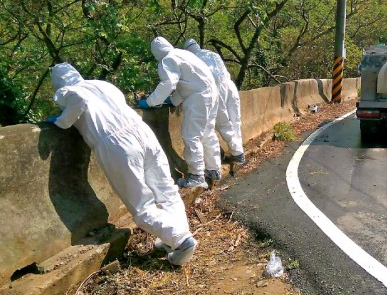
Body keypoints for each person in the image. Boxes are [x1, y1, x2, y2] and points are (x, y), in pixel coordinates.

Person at [46, 62, 197, 266]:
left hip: (116, 144)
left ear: (58, 82)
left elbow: (78, 100)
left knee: (142, 206)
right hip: (142, 132)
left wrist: (61, 121)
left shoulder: (67, 90)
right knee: (167, 191)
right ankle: (175, 241)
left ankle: (181, 240)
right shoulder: (102, 84)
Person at [138, 36, 221, 188]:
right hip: (212, 94)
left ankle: (196, 176)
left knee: (191, 135)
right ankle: (213, 169)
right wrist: (174, 101)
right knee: (207, 133)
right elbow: (188, 82)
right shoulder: (184, 54)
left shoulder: (167, 60)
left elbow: (168, 83)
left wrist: (150, 102)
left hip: (198, 98)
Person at [183, 38, 245, 166]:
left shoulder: (193, 61)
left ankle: (237, 153)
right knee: (235, 120)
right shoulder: (211, 53)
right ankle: (239, 152)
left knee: (223, 123)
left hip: (216, 90)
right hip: (229, 85)